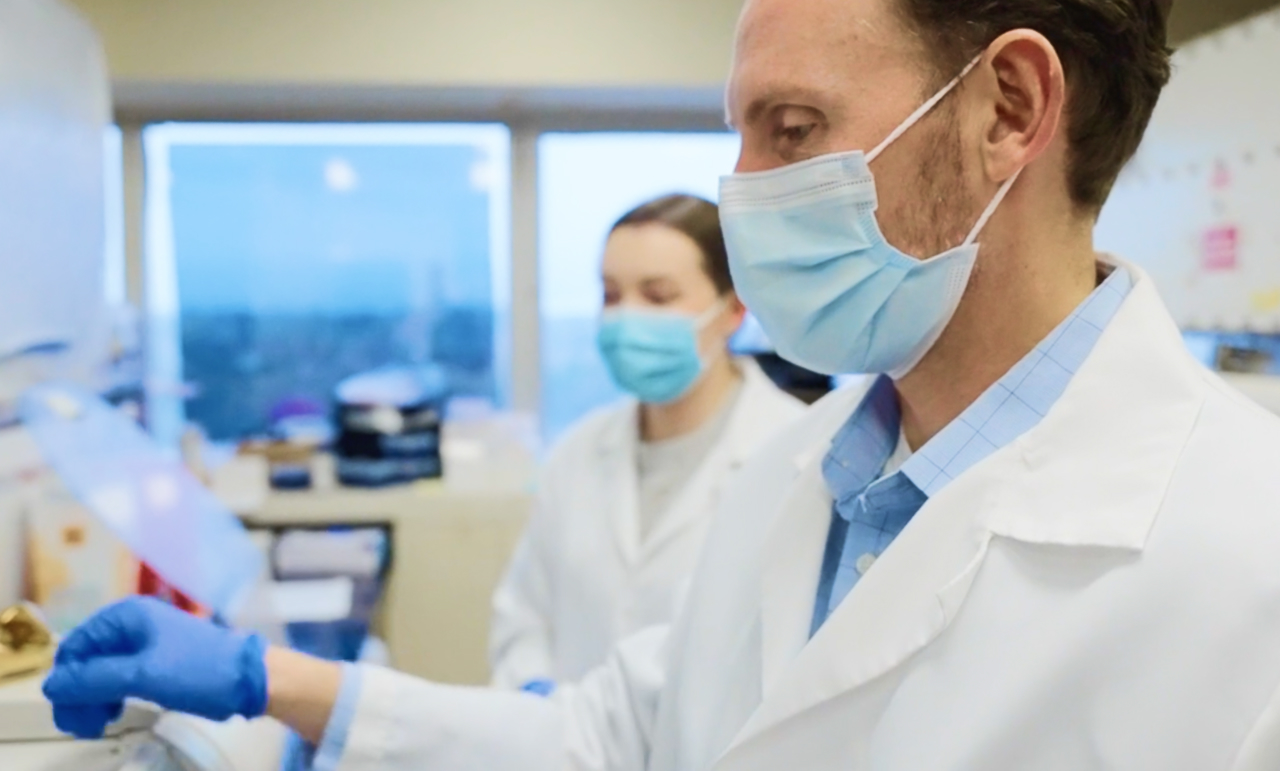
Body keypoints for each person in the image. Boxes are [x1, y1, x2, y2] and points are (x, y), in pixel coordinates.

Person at [42, 0, 1280, 769]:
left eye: (790, 129)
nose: (740, 191)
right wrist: (271, 680)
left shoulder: (1245, 563)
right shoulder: (814, 478)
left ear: (1009, 107)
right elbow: (609, 738)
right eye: (737, 133)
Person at [489, 194, 805, 693]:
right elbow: (523, 620)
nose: (625, 319)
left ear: (734, 309)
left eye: (657, 297)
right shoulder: (577, 453)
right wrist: (532, 688)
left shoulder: (797, 456)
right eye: (611, 296)